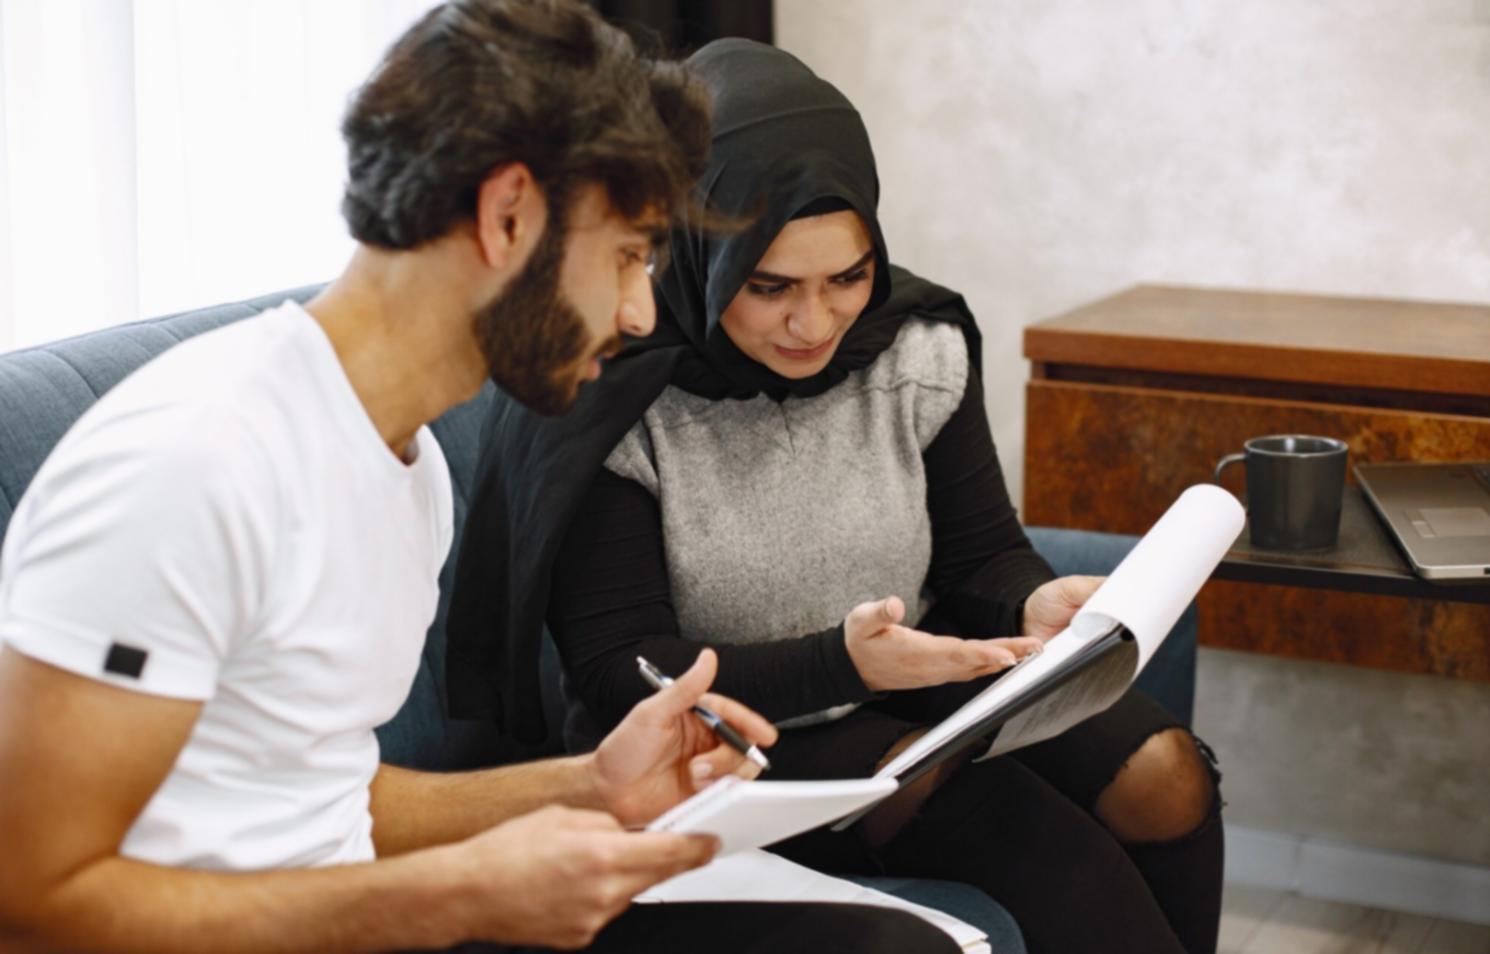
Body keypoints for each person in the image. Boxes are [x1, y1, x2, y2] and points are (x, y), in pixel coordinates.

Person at [0, 5, 966, 952]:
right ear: (509, 216)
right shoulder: (194, 464)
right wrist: (449, 898)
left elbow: (316, 791)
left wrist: (588, 786)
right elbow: (28, 902)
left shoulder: (401, 463)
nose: (639, 312)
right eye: (628, 256)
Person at [449, 38, 1226, 954]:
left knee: (1169, 774)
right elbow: (624, 672)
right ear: (697, 258)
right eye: (769, 286)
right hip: (733, 745)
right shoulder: (617, 395)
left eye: (846, 277)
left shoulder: (915, 346)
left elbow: (979, 557)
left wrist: (1031, 596)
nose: (813, 323)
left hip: (920, 694)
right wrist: (846, 665)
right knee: (1013, 823)